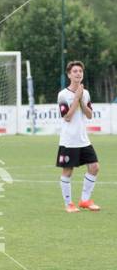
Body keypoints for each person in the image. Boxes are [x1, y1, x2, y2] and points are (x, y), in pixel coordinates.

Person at [56, 61, 100, 213]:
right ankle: (69, 204)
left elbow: (89, 115)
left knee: (94, 167)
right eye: (75, 71)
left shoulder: (85, 93)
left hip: (84, 139)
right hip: (69, 141)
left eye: (80, 71)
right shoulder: (62, 95)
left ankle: (85, 200)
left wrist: (81, 98)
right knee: (68, 171)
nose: (78, 74)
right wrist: (76, 99)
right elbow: (67, 117)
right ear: (69, 75)